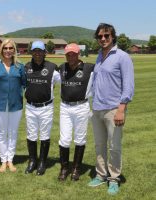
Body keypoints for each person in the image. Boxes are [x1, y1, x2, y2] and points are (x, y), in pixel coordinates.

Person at [88, 23, 134, 195]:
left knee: (114, 146)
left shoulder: (122, 57)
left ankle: (114, 178)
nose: (103, 39)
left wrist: (122, 108)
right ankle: (101, 175)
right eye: (100, 36)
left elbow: (128, 85)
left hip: (114, 109)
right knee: (99, 145)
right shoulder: (99, 56)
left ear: (113, 36)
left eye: (106, 36)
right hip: (97, 108)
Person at [0, 39, 26, 173]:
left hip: (16, 105)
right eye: (5, 48)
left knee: (12, 133)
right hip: (0, 104)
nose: (8, 51)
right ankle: (3, 161)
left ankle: (10, 160)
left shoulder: (20, 66)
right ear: (1, 50)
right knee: (2, 133)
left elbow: (25, 84)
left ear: (14, 50)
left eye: (10, 48)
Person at [57, 43, 94, 181]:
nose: (70, 56)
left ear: (78, 54)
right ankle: (64, 168)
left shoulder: (89, 68)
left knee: (80, 138)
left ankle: (76, 169)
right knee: (64, 139)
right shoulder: (62, 68)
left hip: (81, 107)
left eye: (73, 54)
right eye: (68, 54)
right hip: (65, 107)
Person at [24, 40, 60, 176]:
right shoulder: (26, 67)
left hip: (46, 107)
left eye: (40, 51)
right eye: (35, 51)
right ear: (31, 52)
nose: (37, 53)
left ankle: (42, 162)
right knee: (31, 135)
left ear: (45, 52)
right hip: (31, 106)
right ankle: (32, 161)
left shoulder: (52, 67)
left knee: (45, 135)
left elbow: (58, 82)